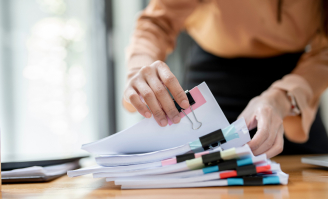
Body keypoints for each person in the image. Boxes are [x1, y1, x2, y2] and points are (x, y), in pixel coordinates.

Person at [122, 0, 328, 158]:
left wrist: (283, 99)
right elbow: (159, 21)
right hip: (212, 82)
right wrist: (139, 69)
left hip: (295, 86)